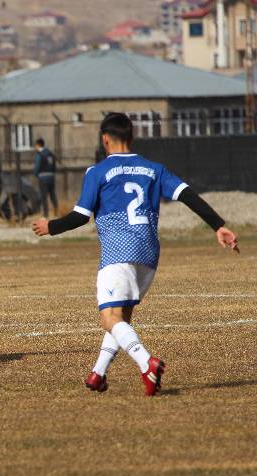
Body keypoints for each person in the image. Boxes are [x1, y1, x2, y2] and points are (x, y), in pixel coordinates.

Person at [32, 112, 240, 395]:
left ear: (105, 139)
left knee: (109, 318)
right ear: (131, 137)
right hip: (148, 252)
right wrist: (218, 225)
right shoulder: (154, 168)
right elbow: (188, 195)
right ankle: (98, 373)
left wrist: (50, 226)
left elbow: (81, 216)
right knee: (122, 317)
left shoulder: (98, 172)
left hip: (118, 251)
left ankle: (147, 363)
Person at [33, 138, 58, 216]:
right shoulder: (50, 154)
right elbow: (54, 165)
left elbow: (37, 166)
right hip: (51, 176)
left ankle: (45, 214)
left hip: (43, 177)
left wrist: (35, 174)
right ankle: (56, 211)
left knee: (44, 196)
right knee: (52, 194)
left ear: (38, 145)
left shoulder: (39, 155)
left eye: (35, 145)